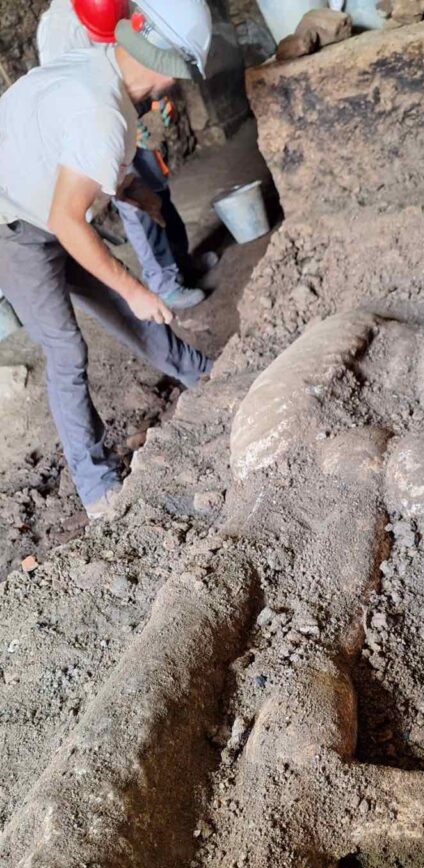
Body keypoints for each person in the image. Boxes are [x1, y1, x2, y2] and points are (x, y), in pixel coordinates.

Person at [0, 0, 213, 518]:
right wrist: (137, 289)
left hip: (42, 203)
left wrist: (136, 192)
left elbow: (75, 152)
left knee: (121, 303)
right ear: (169, 69)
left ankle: (199, 372)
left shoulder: (101, 67)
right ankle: (96, 487)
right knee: (66, 347)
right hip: (13, 226)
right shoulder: (102, 111)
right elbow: (68, 218)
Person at [37, 0, 207, 311]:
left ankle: (182, 262)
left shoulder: (112, 3)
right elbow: (70, 91)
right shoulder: (60, 25)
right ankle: (164, 283)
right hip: (103, 122)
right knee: (135, 204)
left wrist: (147, 101)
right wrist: (114, 121)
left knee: (157, 190)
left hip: (129, 107)